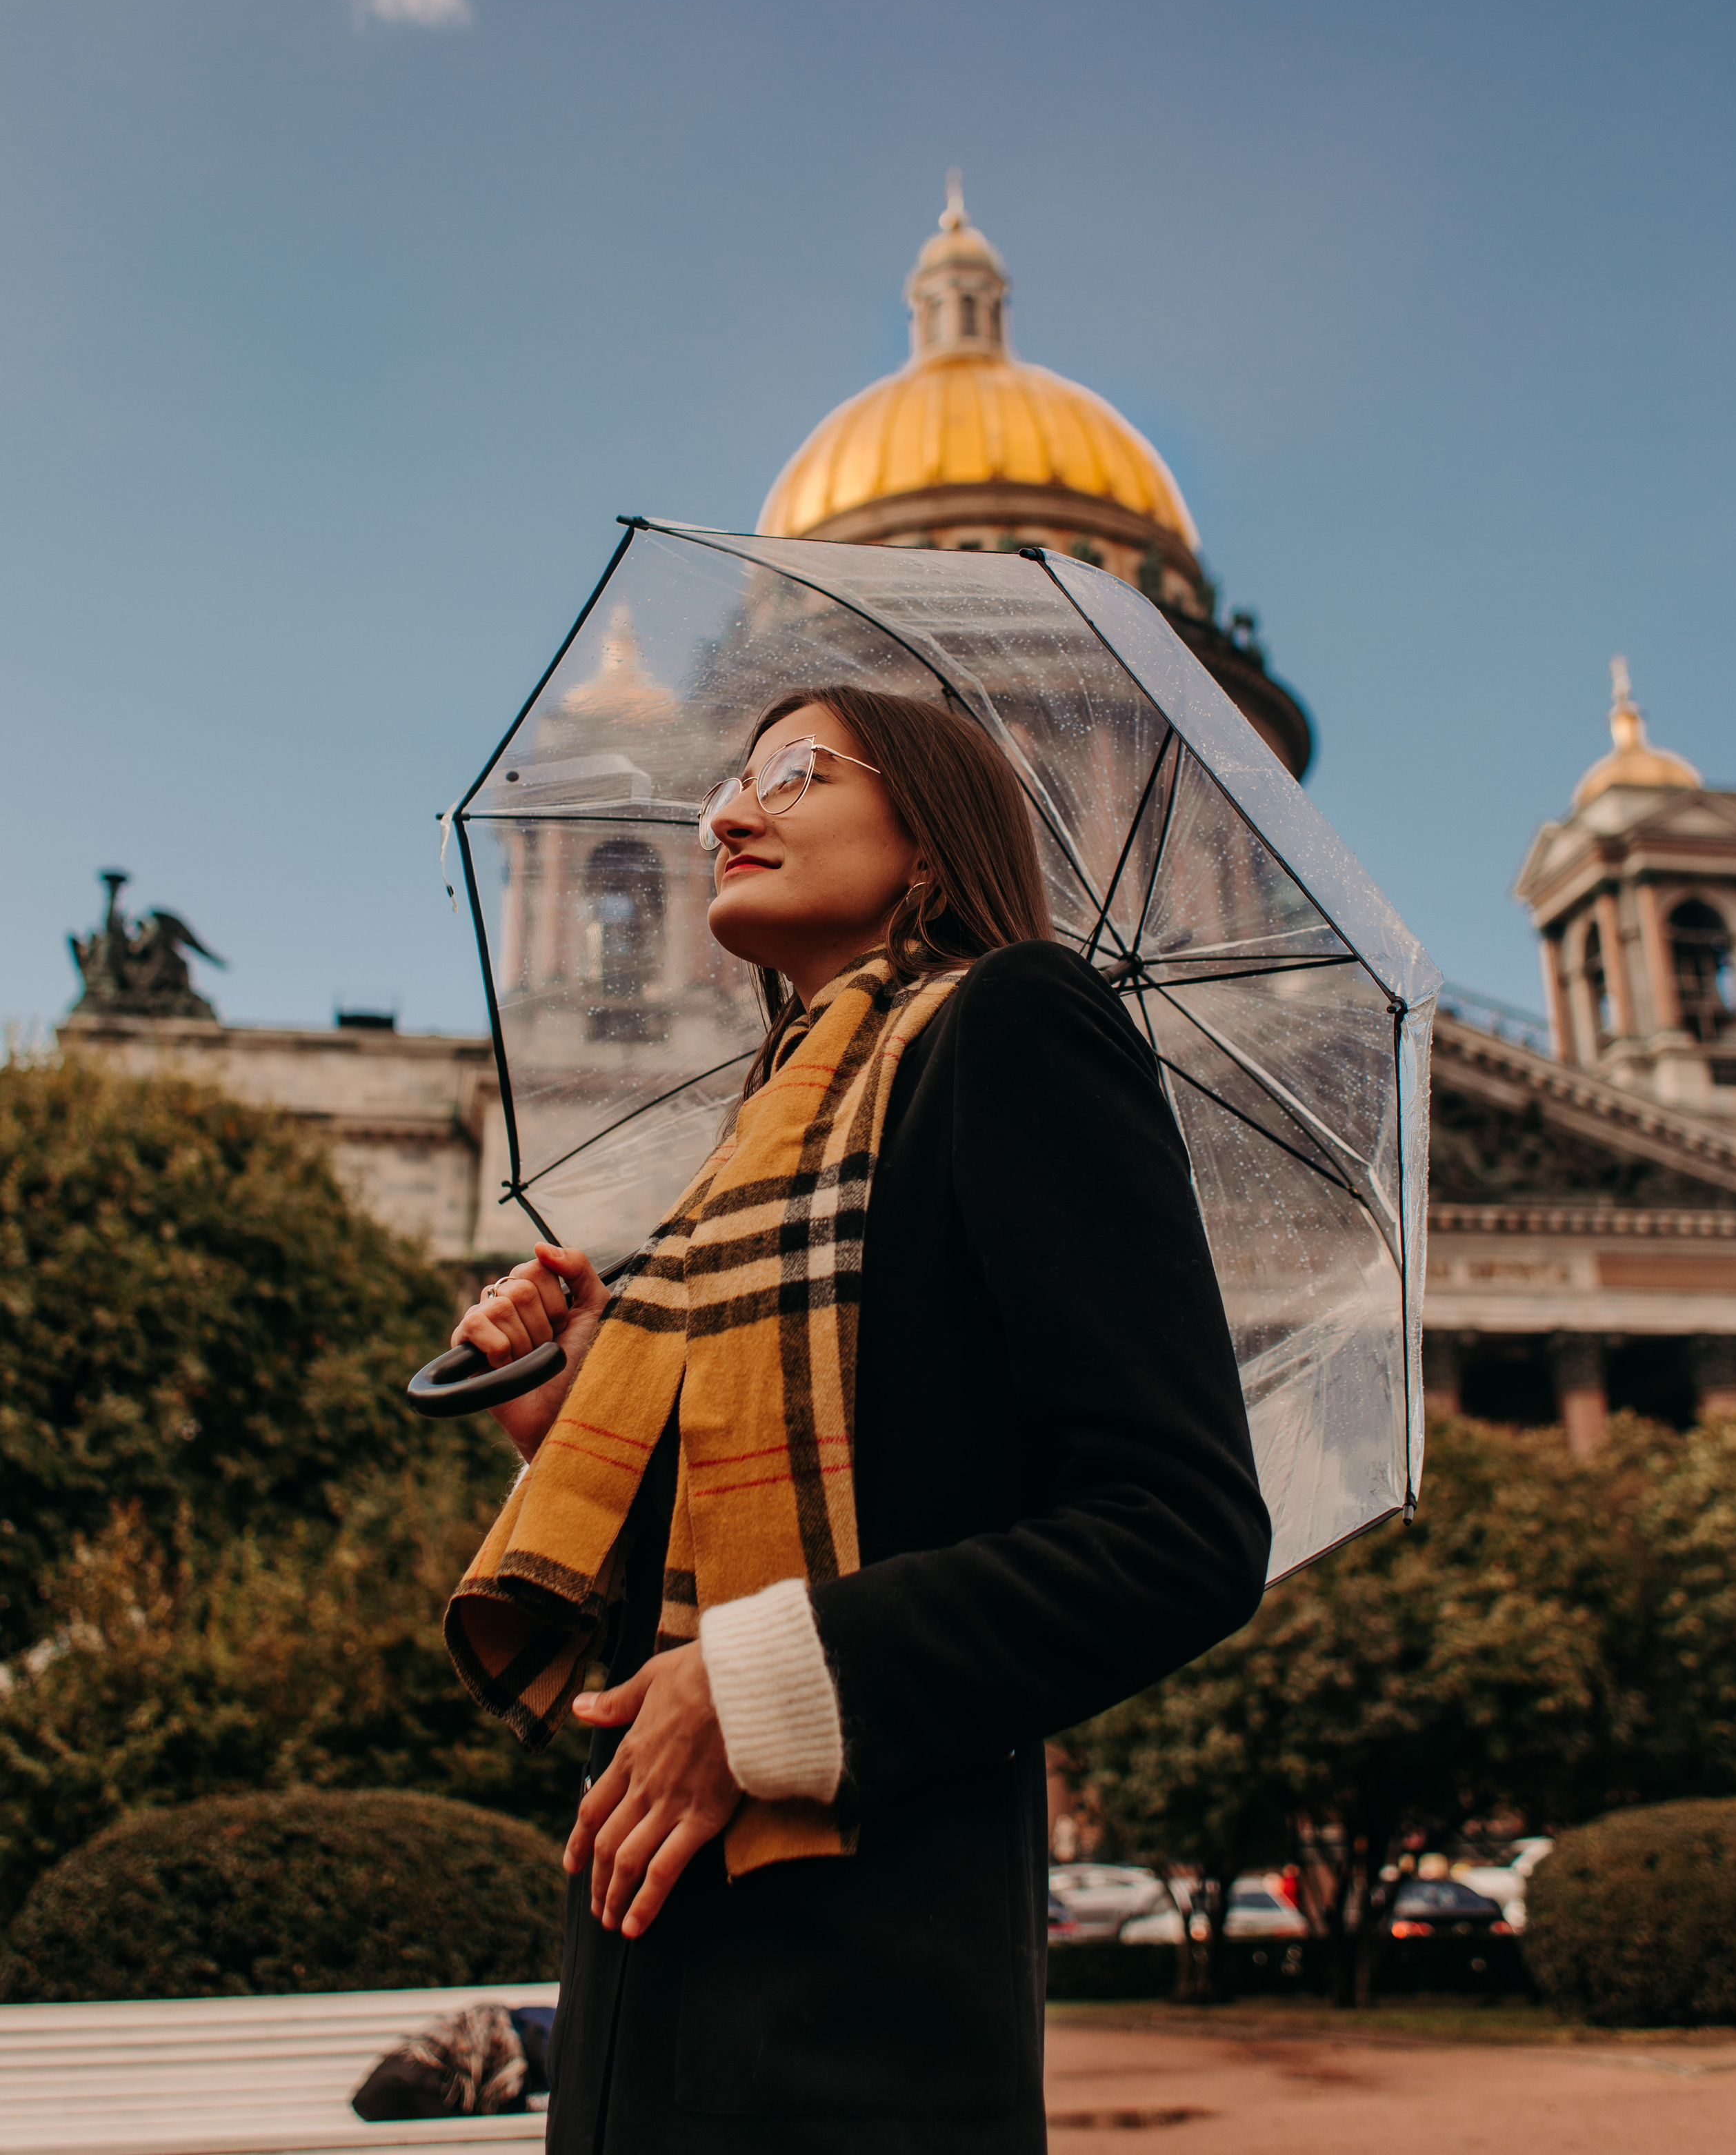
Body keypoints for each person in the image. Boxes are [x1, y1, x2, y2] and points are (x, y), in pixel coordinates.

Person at [443, 686, 1270, 2155]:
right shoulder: (769, 1137)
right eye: (726, 784)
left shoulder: (1013, 1025)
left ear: (927, 828)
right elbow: (744, 1565)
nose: (723, 814)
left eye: (791, 772)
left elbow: (1180, 1533)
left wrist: (755, 1687)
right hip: (651, 1999)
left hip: (856, 2032)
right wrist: (575, 1416)